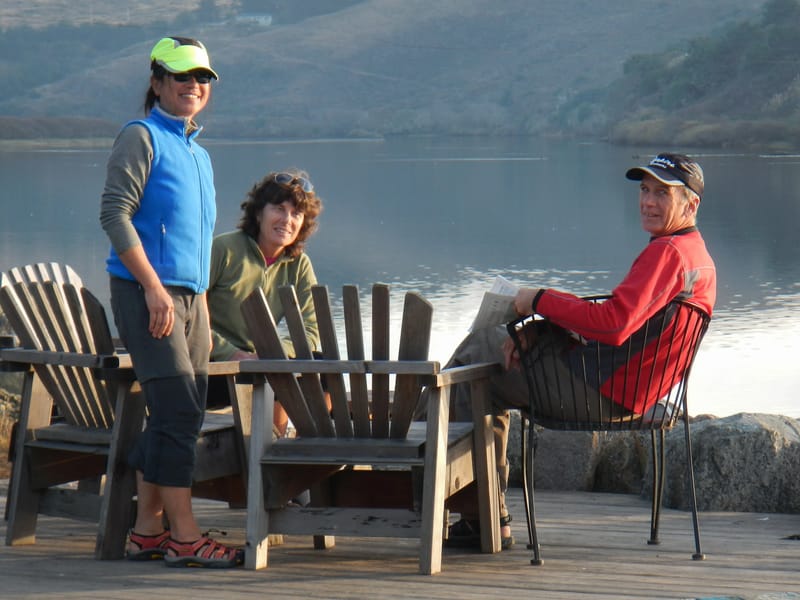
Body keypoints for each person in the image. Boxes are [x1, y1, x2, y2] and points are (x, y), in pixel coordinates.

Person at [442, 153, 716, 550]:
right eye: (644, 190)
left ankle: (424, 480)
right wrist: (548, 327)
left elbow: (615, 323)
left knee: (481, 354)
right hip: (632, 390)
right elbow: (626, 322)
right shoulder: (698, 257)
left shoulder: (667, 253)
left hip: (602, 392)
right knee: (490, 367)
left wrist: (538, 299)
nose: (648, 201)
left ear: (691, 204)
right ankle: (480, 513)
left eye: (662, 193)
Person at [99, 36, 243, 568]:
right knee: (180, 412)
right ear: (156, 81)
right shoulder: (141, 137)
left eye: (202, 77)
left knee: (178, 413)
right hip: (145, 295)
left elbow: (196, 235)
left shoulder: (198, 153)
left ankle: (144, 531)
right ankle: (185, 537)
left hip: (190, 301)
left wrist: (200, 301)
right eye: (181, 75)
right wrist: (156, 290)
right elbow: (115, 216)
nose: (193, 84)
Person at [206, 169, 323, 436]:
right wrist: (233, 354)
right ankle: (270, 446)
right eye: (279, 209)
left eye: (296, 214)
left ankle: (302, 444)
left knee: (325, 366)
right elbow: (191, 315)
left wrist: (273, 352)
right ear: (259, 213)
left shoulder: (299, 264)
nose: (287, 220)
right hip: (216, 368)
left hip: (267, 363)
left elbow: (312, 329)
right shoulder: (223, 249)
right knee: (276, 376)